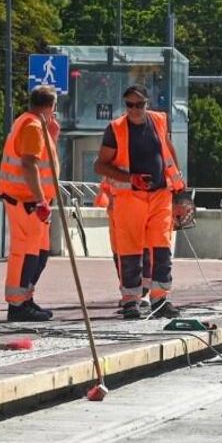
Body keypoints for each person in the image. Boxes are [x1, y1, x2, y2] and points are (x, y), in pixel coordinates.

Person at [94, 85, 185, 320]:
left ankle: (160, 299)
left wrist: (178, 186)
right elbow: (100, 165)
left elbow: (167, 149)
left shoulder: (159, 120)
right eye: (130, 105)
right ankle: (131, 301)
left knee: (161, 249)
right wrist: (130, 179)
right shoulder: (115, 129)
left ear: (147, 103)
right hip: (130, 198)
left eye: (140, 104)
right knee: (130, 251)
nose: (135, 109)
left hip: (160, 195)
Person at [0, 85, 61, 321]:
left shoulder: (32, 123)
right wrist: (40, 200)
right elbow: (29, 164)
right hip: (26, 201)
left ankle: (26, 297)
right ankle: (17, 304)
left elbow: (41, 161)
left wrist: (53, 135)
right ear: (51, 106)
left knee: (40, 253)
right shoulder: (32, 126)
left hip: (32, 202)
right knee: (25, 253)